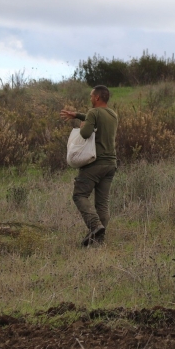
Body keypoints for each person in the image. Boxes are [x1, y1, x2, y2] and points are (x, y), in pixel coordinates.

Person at [60, 85, 118, 246]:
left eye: (92, 96)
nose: (90, 98)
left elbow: (85, 133)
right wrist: (77, 115)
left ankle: (95, 226)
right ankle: (99, 240)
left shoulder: (93, 113)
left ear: (97, 97)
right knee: (102, 203)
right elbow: (94, 117)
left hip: (94, 163)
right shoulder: (112, 114)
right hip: (111, 164)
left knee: (79, 195)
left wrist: (83, 124)